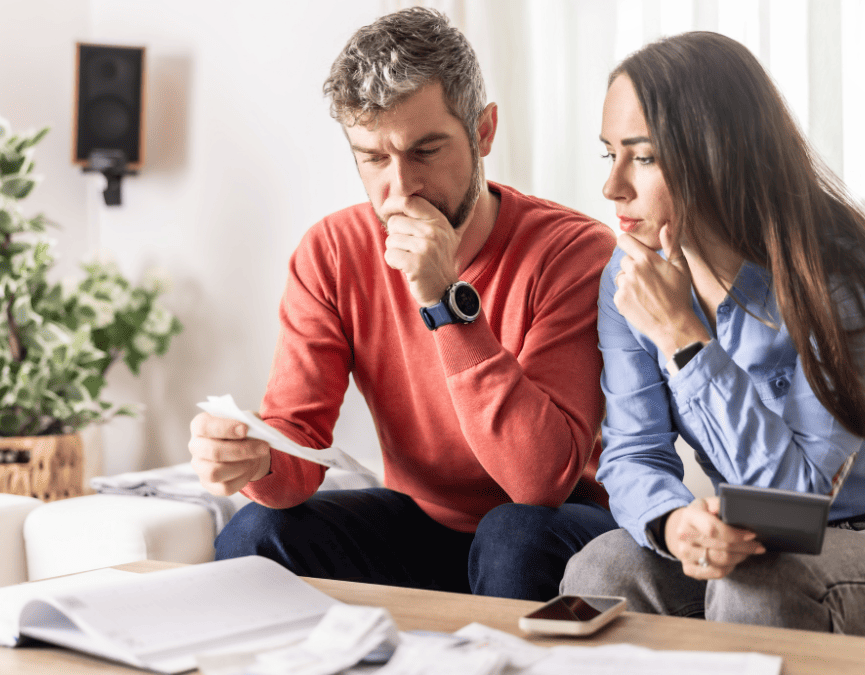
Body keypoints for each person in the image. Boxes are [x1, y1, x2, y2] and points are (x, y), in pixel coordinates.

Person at [560, 31, 865, 646]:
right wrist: (674, 524)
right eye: (608, 153)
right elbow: (633, 452)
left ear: (714, 154)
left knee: (762, 587)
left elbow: (795, 498)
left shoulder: (840, 271)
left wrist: (684, 337)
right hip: (761, 545)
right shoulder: (629, 275)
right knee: (601, 570)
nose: (613, 187)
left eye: (644, 157)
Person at [188, 7, 618, 601]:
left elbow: (539, 481)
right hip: (423, 525)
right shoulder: (332, 251)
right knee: (256, 533)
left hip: (556, 524)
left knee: (512, 535)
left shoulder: (574, 251)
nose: (400, 188)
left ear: (484, 132)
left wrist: (445, 303)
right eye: (373, 158)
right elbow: (299, 445)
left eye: (426, 151)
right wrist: (257, 459)